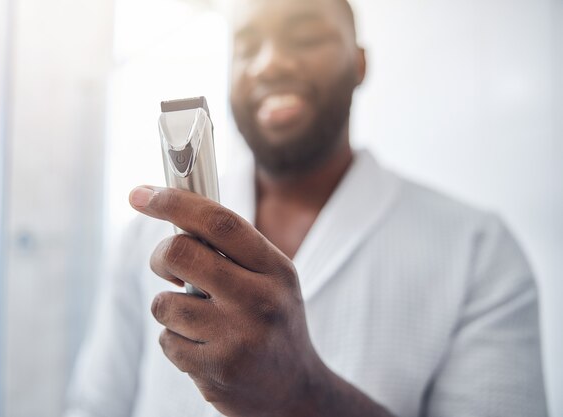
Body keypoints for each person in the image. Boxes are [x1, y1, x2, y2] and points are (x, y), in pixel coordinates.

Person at [66, 0, 548, 415]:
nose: (270, 63)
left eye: (306, 37)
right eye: (248, 45)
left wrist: (298, 395)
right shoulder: (147, 239)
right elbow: (94, 406)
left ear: (358, 64)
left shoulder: (479, 252)